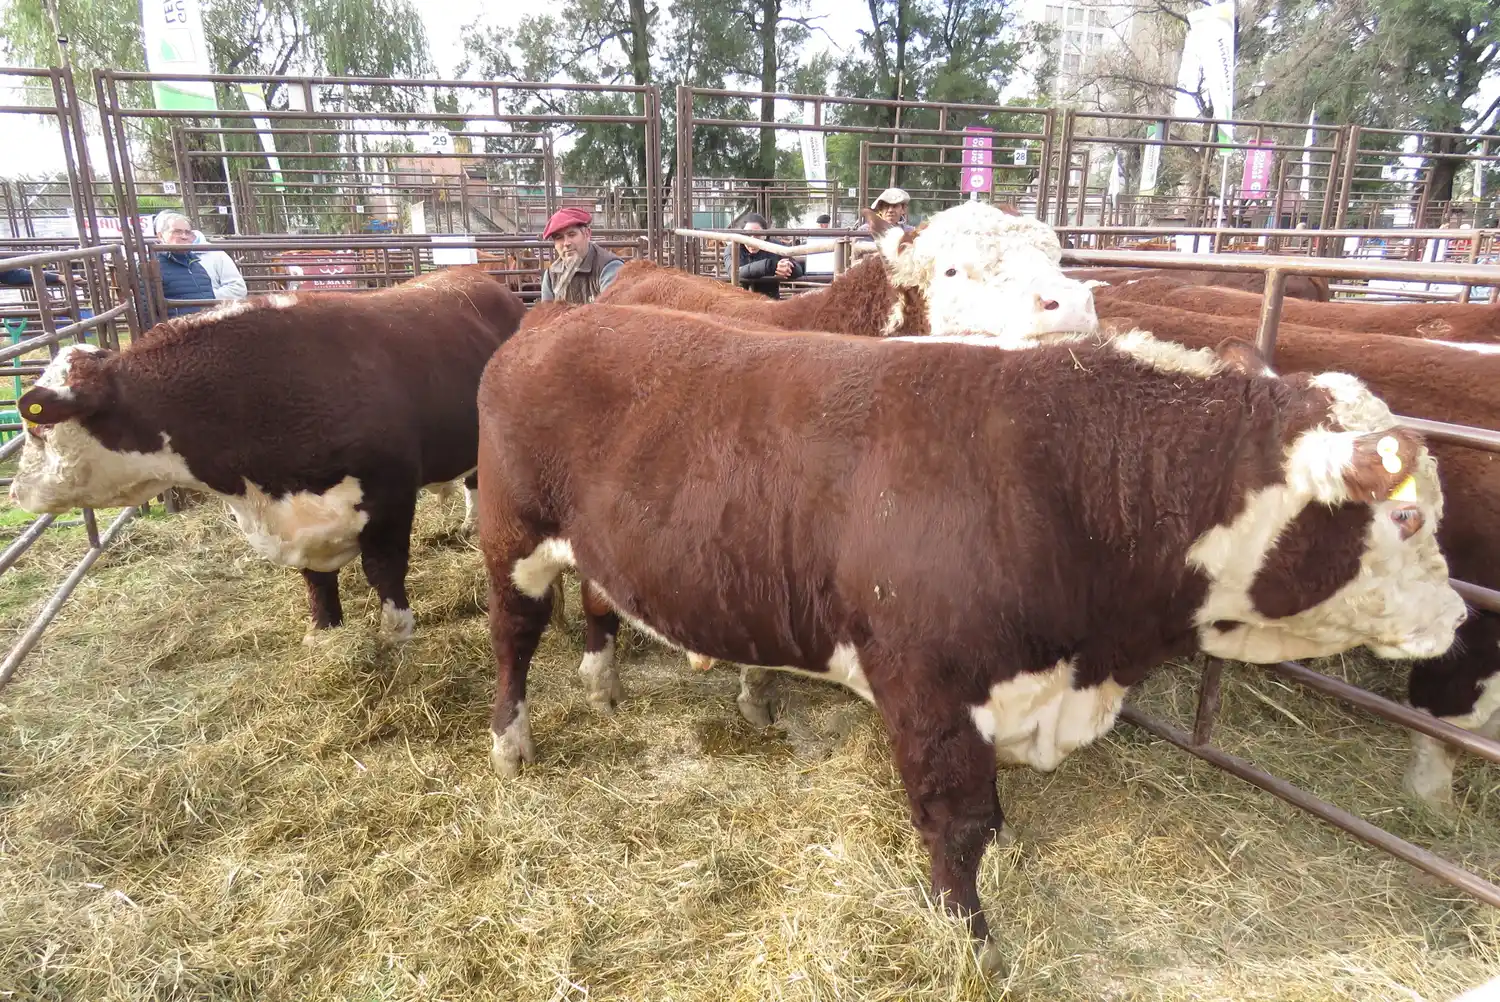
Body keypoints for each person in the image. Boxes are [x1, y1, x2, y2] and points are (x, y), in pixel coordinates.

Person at [151, 210, 247, 317]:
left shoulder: (197, 264)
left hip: (203, 325)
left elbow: (237, 289)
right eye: (177, 232)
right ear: (160, 236)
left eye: (188, 232)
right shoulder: (153, 265)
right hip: (177, 329)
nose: (184, 236)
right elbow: (146, 307)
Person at [538, 206, 624, 304]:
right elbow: (546, 314)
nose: (566, 243)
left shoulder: (610, 267)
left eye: (572, 235)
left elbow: (612, 314)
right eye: (559, 238)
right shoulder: (551, 275)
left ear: (587, 234)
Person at [723, 212, 804, 299]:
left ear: (765, 236)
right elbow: (735, 272)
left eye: (757, 235)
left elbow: (798, 270)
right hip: (743, 302)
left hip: (770, 302)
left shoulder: (775, 246)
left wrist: (789, 267)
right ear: (742, 235)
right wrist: (772, 266)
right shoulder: (733, 249)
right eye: (748, 235)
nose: (752, 240)